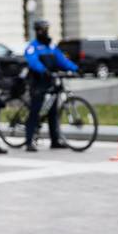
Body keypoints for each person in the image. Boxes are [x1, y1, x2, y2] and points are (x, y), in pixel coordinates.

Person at [24, 19, 79, 152]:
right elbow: (33, 61)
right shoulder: (33, 46)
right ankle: (29, 141)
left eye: (46, 29)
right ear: (37, 31)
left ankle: (55, 141)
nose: (45, 32)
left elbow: (62, 60)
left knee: (53, 112)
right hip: (38, 82)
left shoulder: (51, 46)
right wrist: (44, 71)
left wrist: (75, 68)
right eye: (43, 29)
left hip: (51, 81)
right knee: (35, 111)